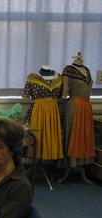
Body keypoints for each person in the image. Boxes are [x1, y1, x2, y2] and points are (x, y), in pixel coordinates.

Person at [58, 52, 95, 184]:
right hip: (74, 106)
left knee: (85, 137)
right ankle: (70, 166)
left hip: (86, 107)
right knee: (73, 135)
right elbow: (64, 93)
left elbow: (89, 91)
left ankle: (81, 168)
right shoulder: (68, 70)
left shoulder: (88, 71)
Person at [22, 65, 63, 161]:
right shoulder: (32, 77)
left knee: (51, 136)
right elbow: (26, 95)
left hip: (53, 110)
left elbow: (61, 95)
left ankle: (48, 157)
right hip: (38, 110)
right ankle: (37, 159)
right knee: (37, 135)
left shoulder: (59, 78)